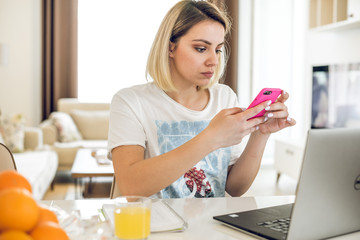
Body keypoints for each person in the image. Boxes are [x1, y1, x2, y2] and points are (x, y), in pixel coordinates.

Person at [107, 0, 296, 198]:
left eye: (217, 49)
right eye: (200, 48)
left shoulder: (224, 97)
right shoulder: (130, 101)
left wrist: (260, 134)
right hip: (155, 227)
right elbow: (130, 187)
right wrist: (211, 138)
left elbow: (235, 188)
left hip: (211, 225)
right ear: (171, 48)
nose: (213, 61)